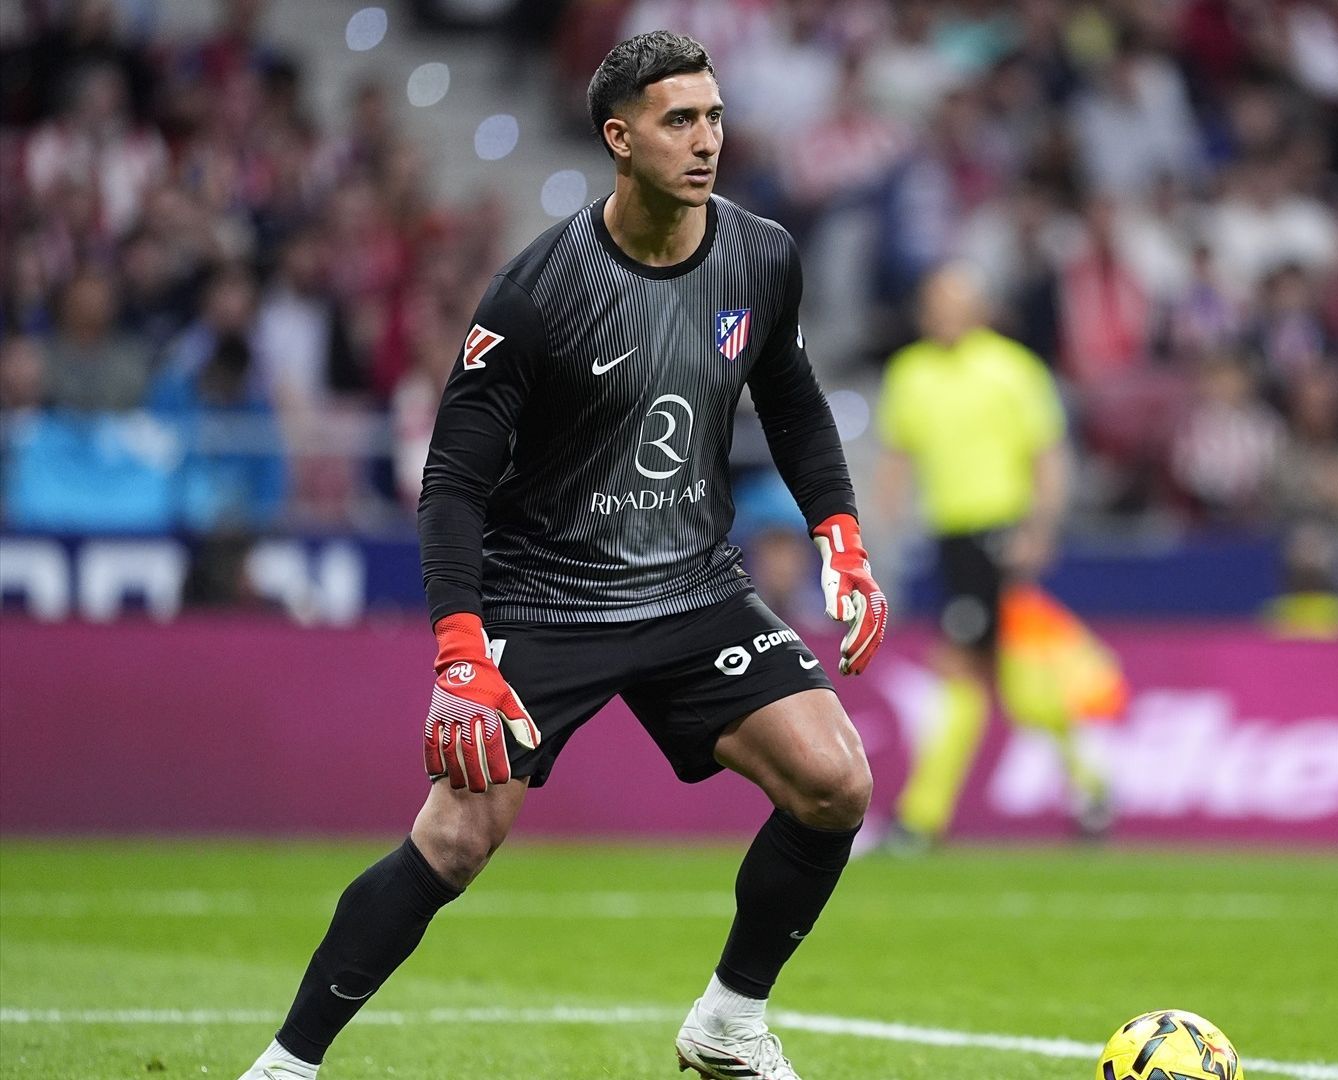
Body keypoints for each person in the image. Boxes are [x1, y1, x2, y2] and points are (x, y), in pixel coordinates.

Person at [238, 31, 888, 1080]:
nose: (708, 139)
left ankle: (727, 1024)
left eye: (715, 116)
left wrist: (842, 541)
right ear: (619, 139)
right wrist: (461, 651)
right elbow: (450, 482)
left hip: (691, 588)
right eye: (681, 121)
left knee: (834, 782)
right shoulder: (537, 294)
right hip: (549, 598)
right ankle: (286, 1064)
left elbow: (798, 405)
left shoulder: (762, 256)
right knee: (452, 845)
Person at [874, 264, 1107, 847]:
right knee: (1015, 679)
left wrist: (1040, 529)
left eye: (956, 304)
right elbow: (898, 459)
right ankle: (1092, 791)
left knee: (962, 670)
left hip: (1000, 533)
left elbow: (1048, 455)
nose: (945, 316)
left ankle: (921, 820)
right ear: (924, 314)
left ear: (977, 309)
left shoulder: (1012, 369)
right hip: (947, 541)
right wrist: (878, 531)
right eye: (936, 305)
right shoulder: (910, 374)